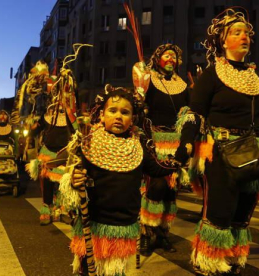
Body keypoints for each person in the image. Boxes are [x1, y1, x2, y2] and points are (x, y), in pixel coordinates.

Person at [174, 8, 259, 275]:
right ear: (223, 40)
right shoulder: (212, 74)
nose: (245, 37)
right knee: (220, 209)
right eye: (237, 32)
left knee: (243, 212)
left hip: (251, 149)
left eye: (246, 33)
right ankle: (207, 259)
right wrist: (186, 143)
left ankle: (232, 255)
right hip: (219, 150)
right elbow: (195, 112)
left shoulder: (254, 77)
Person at [68, 87, 177, 276]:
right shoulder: (88, 141)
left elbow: (157, 169)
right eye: (113, 111)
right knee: (88, 270)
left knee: (115, 271)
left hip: (123, 224)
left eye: (125, 112)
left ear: (133, 118)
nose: (119, 116)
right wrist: (74, 180)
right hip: (94, 221)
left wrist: (181, 155)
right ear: (102, 115)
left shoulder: (138, 145)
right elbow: (74, 175)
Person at [134, 44, 189, 255]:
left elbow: (188, 111)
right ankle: (147, 232)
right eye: (167, 55)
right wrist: (138, 98)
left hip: (175, 143)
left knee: (170, 191)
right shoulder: (148, 80)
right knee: (154, 186)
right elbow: (139, 108)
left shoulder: (183, 85)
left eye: (174, 56)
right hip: (153, 141)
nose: (171, 59)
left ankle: (164, 233)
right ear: (158, 59)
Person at [28, 104, 75, 225]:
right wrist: (32, 125)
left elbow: (77, 130)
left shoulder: (69, 116)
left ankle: (62, 211)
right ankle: (46, 211)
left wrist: (71, 114)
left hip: (64, 154)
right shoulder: (47, 117)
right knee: (47, 183)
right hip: (48, 153)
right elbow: (34, 131)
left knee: (63, 183)